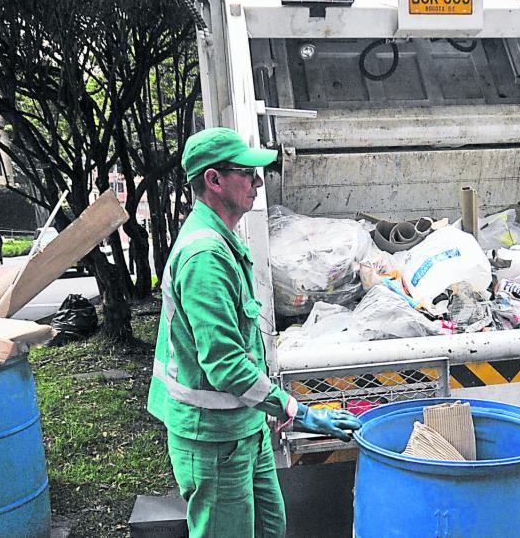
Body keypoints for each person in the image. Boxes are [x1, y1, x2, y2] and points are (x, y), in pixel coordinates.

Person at [147, 127, 361, 537]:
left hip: (243, 428)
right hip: (212, 439)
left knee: (270, 527)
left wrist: (268, 409)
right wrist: (295, 410)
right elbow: (225, 365)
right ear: (214, 180)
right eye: (247, 173)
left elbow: (243, 347)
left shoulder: (225, 241)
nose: (259, 182)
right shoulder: (205, 258)